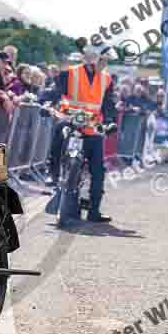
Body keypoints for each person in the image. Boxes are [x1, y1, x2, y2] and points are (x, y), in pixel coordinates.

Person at [46, 39, 117, 222]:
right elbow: (54, 92)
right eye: (103, 60)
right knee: (57, 137)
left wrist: (109, 121)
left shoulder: (107, 79)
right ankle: (52, 174)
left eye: (106, 61)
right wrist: (46, 105)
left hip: (93, 129)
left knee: (98, 171)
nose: (105, 64)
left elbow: (109, 104)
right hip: (71, 122)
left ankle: (94, 211)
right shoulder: (70, 73)